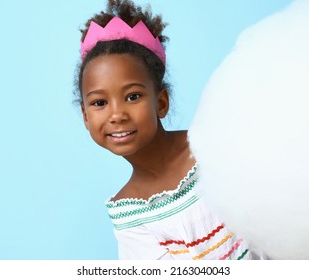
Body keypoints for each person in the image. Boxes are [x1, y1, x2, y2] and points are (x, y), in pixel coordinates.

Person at [75, 0, 262, 260]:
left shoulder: (211, 145)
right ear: (85, 117)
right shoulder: (131, 215)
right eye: (99, 103)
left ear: (161, 102)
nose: (117, 115)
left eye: (132, 96)